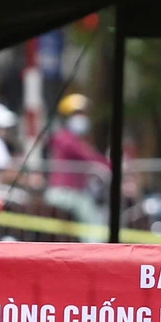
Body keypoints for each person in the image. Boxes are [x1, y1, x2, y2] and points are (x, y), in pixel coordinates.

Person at [44, 93, 111, 225]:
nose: (82, 118)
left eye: (83, 114)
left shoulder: (73, 139)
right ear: (66, 118)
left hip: (72, 192)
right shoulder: (65, 139)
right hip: (65, 193)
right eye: (77, 114)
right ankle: (95, 245)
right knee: (92, 218)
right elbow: (90, 157)